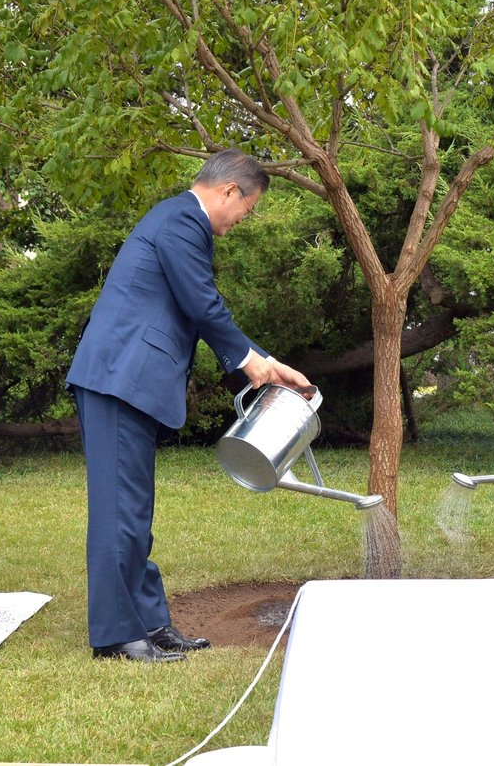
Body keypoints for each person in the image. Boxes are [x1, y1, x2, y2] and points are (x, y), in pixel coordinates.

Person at [67, 148, 311, 662]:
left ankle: (151, 624)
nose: (243, 220)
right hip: (117, 378)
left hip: (127, 382)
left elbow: (198, 307)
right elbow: (201, 301)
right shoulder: (181, 219)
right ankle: (116, 636)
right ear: (228, 191)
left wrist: (269, 362)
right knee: (118, 512)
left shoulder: (177, 221)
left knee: (134, 508)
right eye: (247, 209)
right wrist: (249, 361)